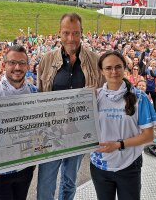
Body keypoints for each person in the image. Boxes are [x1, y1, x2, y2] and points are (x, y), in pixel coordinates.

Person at [37, 13, 104, 200]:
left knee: (69, 181)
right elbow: (40, 95)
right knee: (45, 184)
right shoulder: (47, 60)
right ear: (59, 33)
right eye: (66, 33)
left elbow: (104, 96)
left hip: (79, 132)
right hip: (51, 133)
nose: (71, 39)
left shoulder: (94, 60)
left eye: (75, 33)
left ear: (82, 33)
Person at [90, 51, 156, 200]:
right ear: (101, 71)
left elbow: (148, 136)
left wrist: (118, 144)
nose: (113, 72)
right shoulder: (94, 96)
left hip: (129, 165)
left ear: (124, 68)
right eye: (108, 68)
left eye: (118, 67)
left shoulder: (139, 97)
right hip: (100, 165)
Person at [0, 45, 37, 200]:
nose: (17, 67)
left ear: (28, 66)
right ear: (4, 65)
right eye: (12, 63)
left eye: (22, 63)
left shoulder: (34, 92)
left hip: (25, 166)